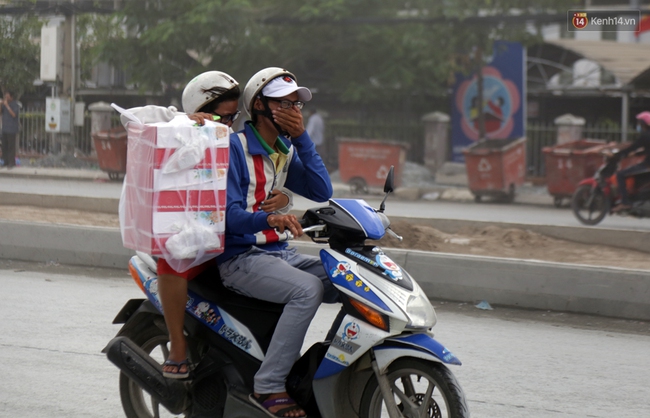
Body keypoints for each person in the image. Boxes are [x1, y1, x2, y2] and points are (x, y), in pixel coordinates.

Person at [122, 71, 293, 379]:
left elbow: (264, 187)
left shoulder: (235, 145)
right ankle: (177, 346)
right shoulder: (183, 129)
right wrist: (182, 120)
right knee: (173, 262)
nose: (228, 126)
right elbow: (132, 119)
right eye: (223, 118)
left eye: (233, 118)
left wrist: (284, 199)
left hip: (232, 236)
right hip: (195, 233)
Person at [217, 67, 338, 418]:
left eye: (296, 104)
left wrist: (302, 139)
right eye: (284, 103)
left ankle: (330, 367)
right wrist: (271, 217)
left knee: (347, 280)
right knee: (307, 291)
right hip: (240, 257)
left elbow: (321, 191)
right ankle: (268, 385)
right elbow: (228, 215)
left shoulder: (284, 149)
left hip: (278, 253)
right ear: (259, 106)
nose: (295, 110)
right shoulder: (235, 148)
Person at [612, 111, 650, 212]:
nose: (638, 125)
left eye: (639, 123)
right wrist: (635, 154)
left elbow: (633, 147)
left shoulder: (645, 136)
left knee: (620, 175)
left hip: (647, 166)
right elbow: (646, 149)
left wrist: (618, 154)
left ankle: (625, 203)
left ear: (643, 124)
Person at [0, 90, 20, 169]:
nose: (6, 98)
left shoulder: (15, 104)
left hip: (12, 128)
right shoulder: (4, 104)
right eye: (5, 96)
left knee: (11, 147)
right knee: (4, 146)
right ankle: (5, 161)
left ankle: (12, 163)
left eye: (8, 96)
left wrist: (7, 105)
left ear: (11, 97)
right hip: (4, 128)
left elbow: (14, 115)